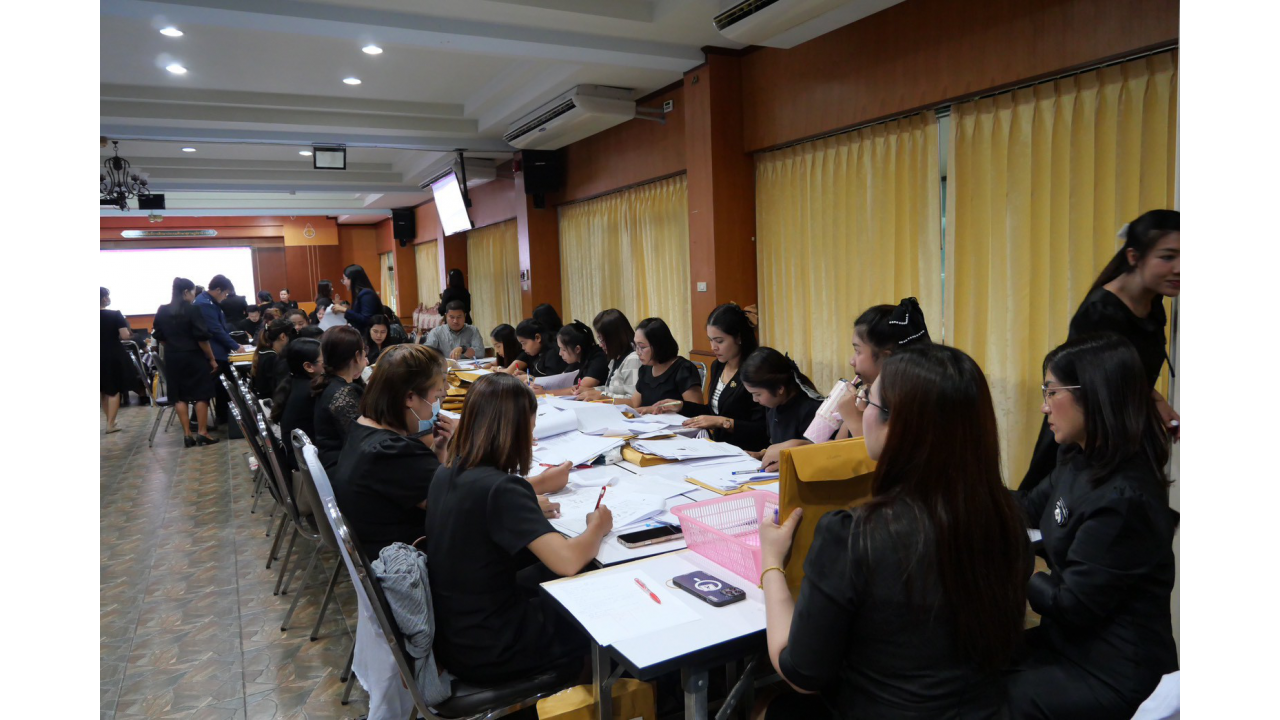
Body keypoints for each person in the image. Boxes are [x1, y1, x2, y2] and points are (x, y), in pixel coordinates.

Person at [757, 344, 1029, 719]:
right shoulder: (1006, 518)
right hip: (986, 709)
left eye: (867, 401)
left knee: (768, 705)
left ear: (897, 425)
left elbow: (801, 673)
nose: (860, 411)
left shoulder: (854, 535)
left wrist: (771, 562)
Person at [1005, 334, 1178, 719]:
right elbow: (1027, 507)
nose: (1044, 406)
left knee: (989, 700)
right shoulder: (1078, 459)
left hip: (1112, 672)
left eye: (1052, 392)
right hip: (1068, 644)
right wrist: (966, 498)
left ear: (1094, 394)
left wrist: (1022, 568)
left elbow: (1071, 604)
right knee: (971, 668)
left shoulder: (1124, 497)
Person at [426, 372, 612, 684]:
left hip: (454, 633)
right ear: (515, 431)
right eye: (531, 428)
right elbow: (567, 561)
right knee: (593, 606)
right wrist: (598, 526)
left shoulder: (447, 471)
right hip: (493, 645)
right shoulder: (502, 489)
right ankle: (585, 688)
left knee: (542, 577)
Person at [1020, 210, 1180, 496]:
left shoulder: (1153, 301)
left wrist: (1155, 401)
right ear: (1134, 257)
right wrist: (1151, 402)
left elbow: (1133, 369)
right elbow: (1096, 384)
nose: (1179, 268)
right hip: (1090, 435)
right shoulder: (1101, 311)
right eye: (1168, 257)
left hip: (1123, 428)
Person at [331, 344, 455, 559]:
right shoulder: (392, 452)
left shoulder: (363, 424)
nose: (436, 407)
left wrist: (439, 449)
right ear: (409, 398)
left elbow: (429, 486)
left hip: (379, 547)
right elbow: (451, 503)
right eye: (436, 398)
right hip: (406, 558)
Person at [818, 298, 932, 444]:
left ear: (887, 358)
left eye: (858, 351)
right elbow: (836, 452)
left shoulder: (917, 406)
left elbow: (886, 456)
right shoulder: (866, 398)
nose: (852, 361)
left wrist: (854, 420)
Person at [662, 304, 768, 451]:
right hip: (719, 447)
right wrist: (682, 406)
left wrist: (722, 422)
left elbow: (762, 429)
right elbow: (714, 411)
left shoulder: (756, 371)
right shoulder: (718, 366)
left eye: (719, 341)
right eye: (710, 340)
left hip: (747, 451)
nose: (713, 347)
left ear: (739, 338)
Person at [151, 277, 220, 447]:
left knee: (178, 395)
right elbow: (202, 338)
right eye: (193, 292)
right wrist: (212, 359)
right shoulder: (193, 309)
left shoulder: (162, 310)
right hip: (193, 356)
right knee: (201, 393)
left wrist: (174, 346)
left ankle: (187, 434)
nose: (194, 296)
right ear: (186, 292)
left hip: (172, 357)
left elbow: (159, 336)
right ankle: (202, 433)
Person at [741, 348, 826, 470]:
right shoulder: (773, 404)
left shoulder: (811, 410)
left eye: (758, 394)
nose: (755, 399)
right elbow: (777, 445)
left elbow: (813, 454)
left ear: (780, 388)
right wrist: (762, 454)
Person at [312, 326, 368, 469]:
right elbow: (362, 441)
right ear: (357, 356)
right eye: (363, 351)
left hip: (334, 463)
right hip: (341, 468)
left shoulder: (329, 382)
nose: (366, 357)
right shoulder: (343, 392)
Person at [196, 275, 246, 425]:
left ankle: (223, 417)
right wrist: (235, 346)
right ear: (218, 290)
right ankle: (201, 420)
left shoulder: (209, 301)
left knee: (224, 386)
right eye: (225, 294)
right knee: (215, 387)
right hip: (213, 352)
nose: (225, 297)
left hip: (219, 351)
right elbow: (215, 329)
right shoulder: (205, 303)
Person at [628, 317, 703, 411]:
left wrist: (651, 410)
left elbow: (697, 410)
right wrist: (611, 401)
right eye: (635, 346)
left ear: (658, 345)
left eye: (642, 347)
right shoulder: (645, 369)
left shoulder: (683, 369)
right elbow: (634, 403)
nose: (637, 352)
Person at [271, 337, 322, 470]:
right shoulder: (312, 390)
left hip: (297, 454)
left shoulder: (294, 382)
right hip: (306, 462)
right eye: (325, 360)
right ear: (309, 367)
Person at [574, 309, 642, 403]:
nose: (600, 345)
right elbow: (610, 390)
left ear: (614, 338)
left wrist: (602, 395)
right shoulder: (616, 358)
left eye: (602, 340)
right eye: (599, 339)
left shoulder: (633, 359)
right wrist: (591, 390)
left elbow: (632, 400)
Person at [539, 321, 608, 395]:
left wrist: (544, 392)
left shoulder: (598, 358)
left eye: (563, 350)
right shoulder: (576, 360)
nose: (560, 353)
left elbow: (579, 389)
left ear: (577, 349)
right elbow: (559, 381)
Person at [101, 287, 134, 434]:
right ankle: (111, 424)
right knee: (114, 390)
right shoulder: (115, 315)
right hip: (112, 354)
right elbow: (125, 335)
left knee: (103, 390)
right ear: (104, 298)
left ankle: (110, 421)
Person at [252, 319, 294, 401]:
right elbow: (279, 388)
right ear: (283, 336)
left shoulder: (265, 352)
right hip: (270, 402)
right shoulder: (272, 357)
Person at [336, 264, 382, 335]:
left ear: (352, 279)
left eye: (344, 279)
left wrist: (345, 310)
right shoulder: (360, 293)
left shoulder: (367, 294)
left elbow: (366, 319)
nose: (344, 282)